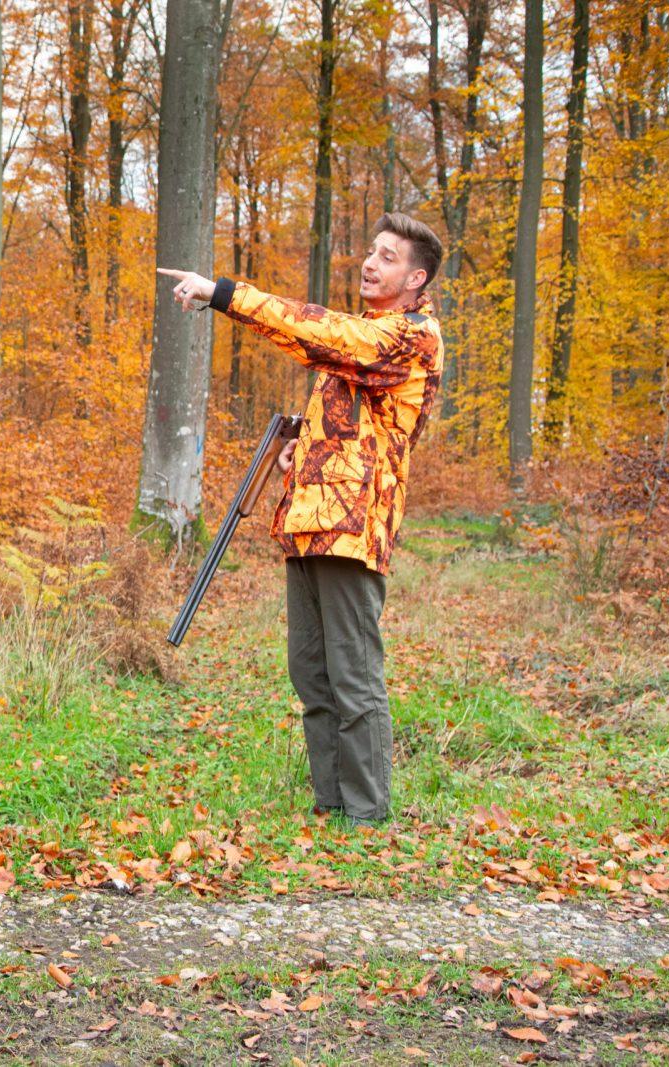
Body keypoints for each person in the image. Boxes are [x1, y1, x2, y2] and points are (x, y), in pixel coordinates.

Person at [158, 211, 445, 827]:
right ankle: (331, 802)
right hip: (310, 524)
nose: (370, 263)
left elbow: (330, 336)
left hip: (353, 531)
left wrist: (225, 295)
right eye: (371, 251)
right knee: (310, 671)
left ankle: (366, 816)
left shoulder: (412, 335)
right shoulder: (362, 339)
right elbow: (350, 416)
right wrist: (302, 448)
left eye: (388, 257)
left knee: (353, 674)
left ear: (417, 278)